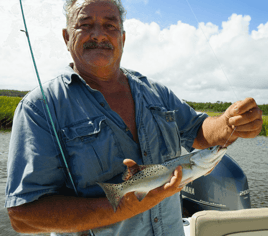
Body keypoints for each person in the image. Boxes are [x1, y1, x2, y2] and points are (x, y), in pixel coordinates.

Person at [6, 0, 263, 235]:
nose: (99, 34)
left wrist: (229, 124)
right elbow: (23, 216)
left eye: (110, 25)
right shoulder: (39, 107)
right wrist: (122, 208)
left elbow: (198, 131)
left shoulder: (156, 91)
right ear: (66, 36)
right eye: (85, 25)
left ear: (123, 38)